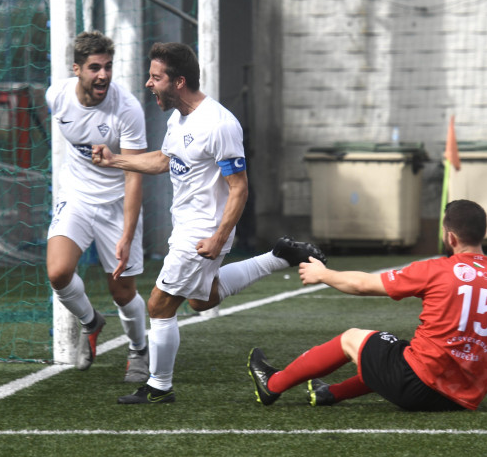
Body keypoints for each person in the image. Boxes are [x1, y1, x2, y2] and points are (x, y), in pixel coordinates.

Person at [92, 42, 325, 404]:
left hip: (202, 232)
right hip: (186, 228)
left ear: (179, 81)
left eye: (156, 78)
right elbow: (163, 160)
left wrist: (218, 238)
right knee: (202, 300)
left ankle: (158, 387)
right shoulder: (179, 118)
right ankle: (279, 256)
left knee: (158, 305)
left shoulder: (219, 124)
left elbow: (239, 189)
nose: (148, 84)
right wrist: (115, 161)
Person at [248, 199, 487, 411]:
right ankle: (330, 394)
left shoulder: (436, 269)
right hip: (464, 399)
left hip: (417, 387)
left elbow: (363, 284)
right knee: (395, 350)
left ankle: (272, 384)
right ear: (483, 234)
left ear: (450, 236)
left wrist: (323, 275)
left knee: (353, 338)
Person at [45, 31, 149, 382]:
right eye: (94, 68)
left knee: (122, 291)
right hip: (76, 197)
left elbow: (135, 174)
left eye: (108, 67)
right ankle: (91, 322)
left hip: (118, 205)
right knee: (58, 273)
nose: (103, 75)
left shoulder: (128, 109)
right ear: (77, 69)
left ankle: (138, 349)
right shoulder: (57, 96)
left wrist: (127, 233)